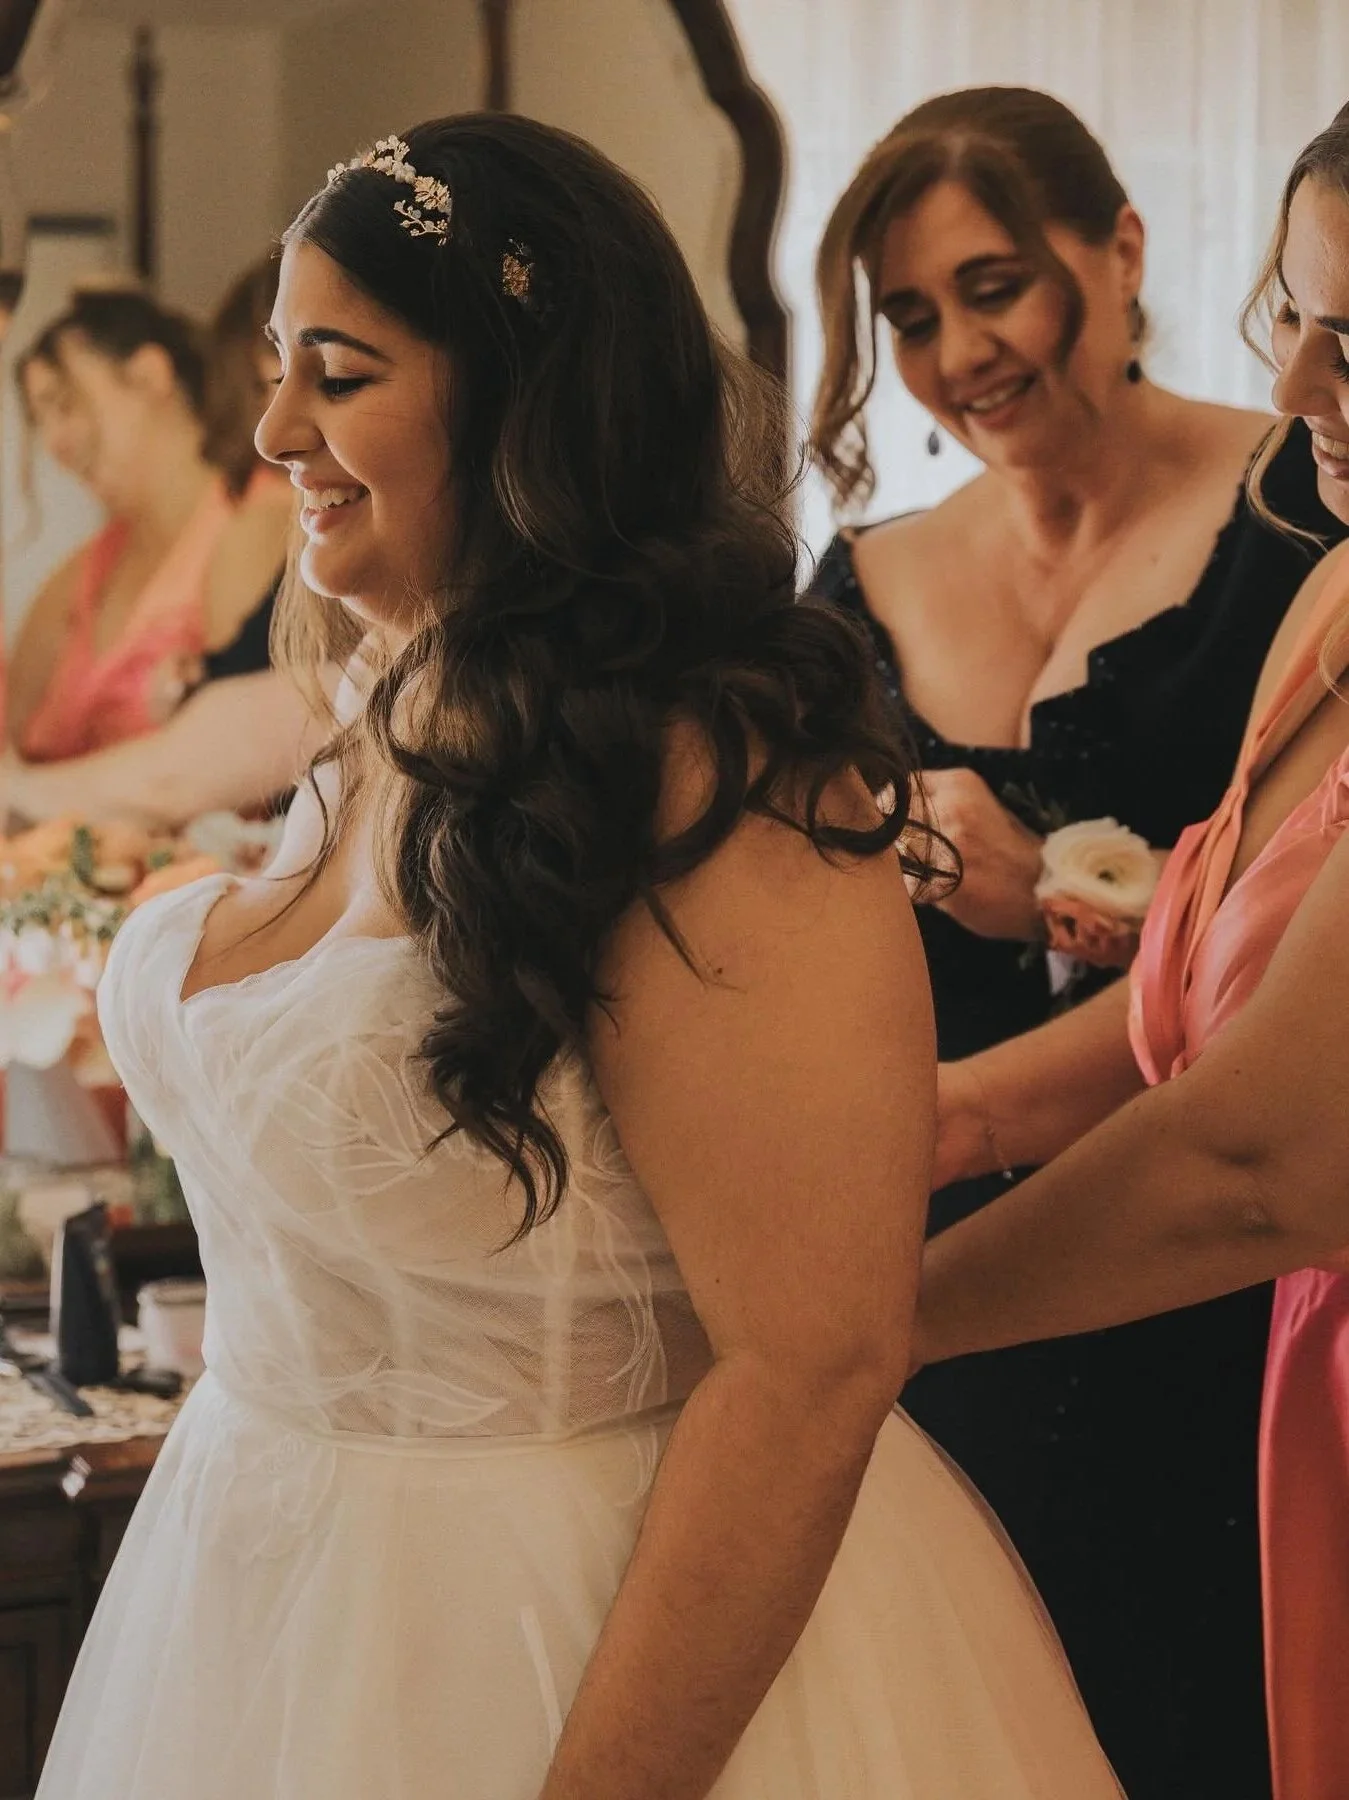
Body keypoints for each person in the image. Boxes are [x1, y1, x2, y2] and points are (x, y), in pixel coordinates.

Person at [33, 115, 1124, 1800]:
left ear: (517, 402)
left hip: (574, 1629)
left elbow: (812, 1355)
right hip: (263, 1604)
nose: (272, 430)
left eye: (337, 373)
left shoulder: (708, 773)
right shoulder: (392, 712)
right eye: (274, 368)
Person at [808, 84, 1347, 1796]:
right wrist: (929, 1137)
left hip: (1210, 1283)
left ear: (1112, 253)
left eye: (992, 285)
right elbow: (1189, 1009)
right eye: (907, 316)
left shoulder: (1281, 529)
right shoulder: (1335, 598)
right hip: (1016, 1232)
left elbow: (1256, 1119)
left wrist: (877, 1325)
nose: (1294, 390)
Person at [2, 262, 314, 830]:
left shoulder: (261, 524)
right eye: (39, 420)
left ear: (149, 374)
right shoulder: (84, 570)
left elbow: (235, 777)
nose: (54, 444)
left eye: (65, 403)